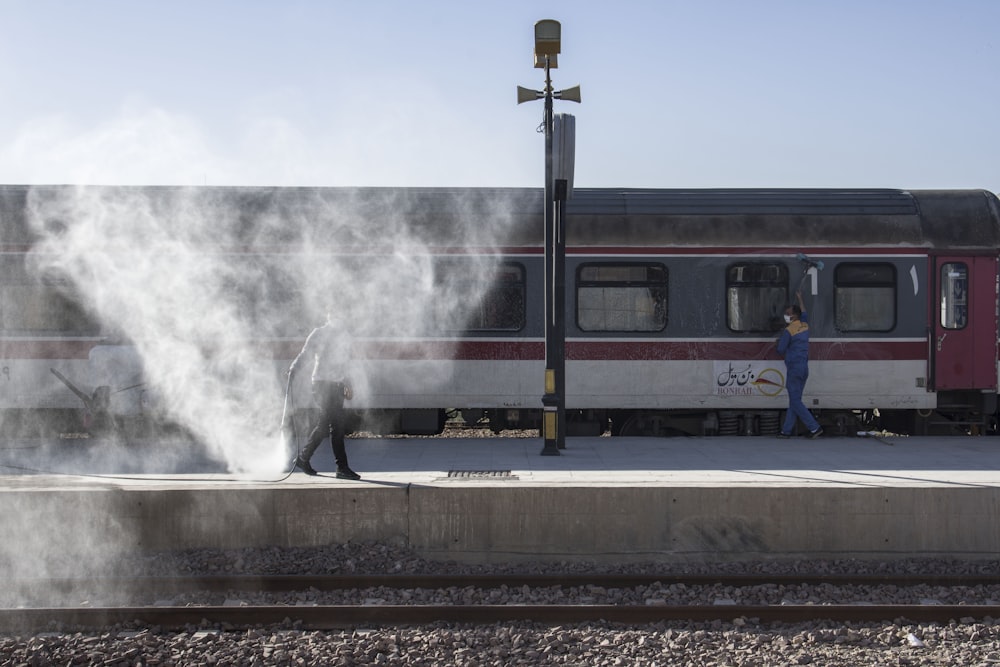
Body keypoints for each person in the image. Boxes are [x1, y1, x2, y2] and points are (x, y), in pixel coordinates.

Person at [288, 314, 360, 479]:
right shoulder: (319, 333)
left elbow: (345, 363)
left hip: (337, 385)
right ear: (330, 315)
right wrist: (294, 369)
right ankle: (341, 467)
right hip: (322, 384)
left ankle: (303, 458)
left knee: (324, 426)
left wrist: (348, 384)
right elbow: (305, 354)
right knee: (337, 426)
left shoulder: (345, 336)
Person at [776, 290, 823, 438]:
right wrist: (800, 298)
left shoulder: (789, 330)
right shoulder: (804, 326)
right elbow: (804, 312)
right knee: (794, 401)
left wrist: (777, 342)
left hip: (794, 369)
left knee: (795, 401)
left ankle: (815, 428)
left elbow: (780, 350)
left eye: (788, 313)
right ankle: (786, 431)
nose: (786, 315)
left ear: (793, 316)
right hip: (804, 369)